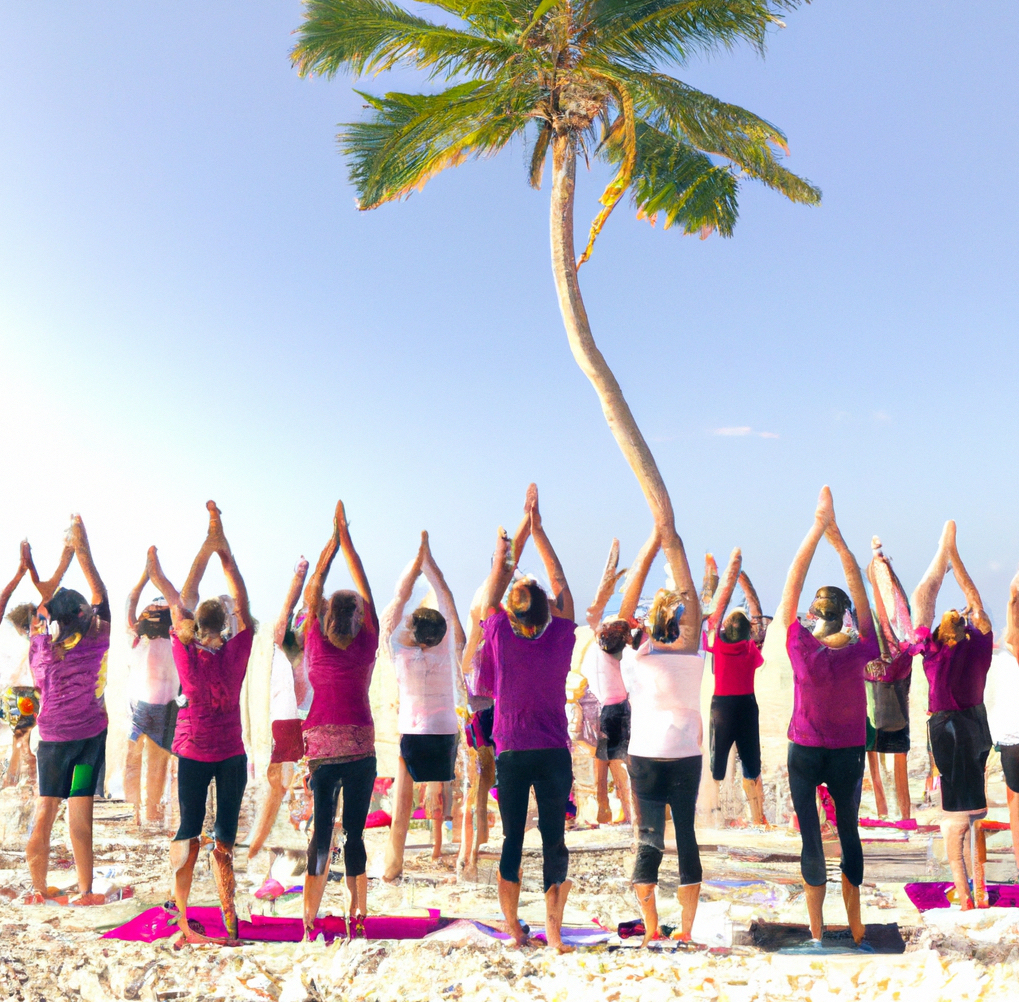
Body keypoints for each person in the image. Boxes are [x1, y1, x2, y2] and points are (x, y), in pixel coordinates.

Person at [773, 487, 892, 947]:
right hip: (846, 752)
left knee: (811, 838)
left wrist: (816, 529)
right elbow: (863, 604)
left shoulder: (801, 647)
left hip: (805, 749)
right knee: (848, 830)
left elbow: (791, 585)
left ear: (813, 617)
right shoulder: (861, 648)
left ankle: (818, 932)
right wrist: (841, 543)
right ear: (844, 617)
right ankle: (858, 927)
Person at [475, 484, 577, 953]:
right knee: (554, 841)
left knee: (513, 839)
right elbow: (563, 588)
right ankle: (553, 934)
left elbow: (494, 589)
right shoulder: (559, 637)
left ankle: (515, 929)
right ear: (545, 613)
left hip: (511, 750)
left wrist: (513, 542)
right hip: (552, 751)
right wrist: (541, 532)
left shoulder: (498, 630)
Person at [147, 502, 253, 945]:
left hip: (191, 751)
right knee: (223, 841)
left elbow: (180, 601)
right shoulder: (236, 652)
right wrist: (225, 555)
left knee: (187, 832)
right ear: (225, 625)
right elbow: (243, 605)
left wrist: (206, 547)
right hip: (229, 755)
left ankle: (185, 922)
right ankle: (230, 928)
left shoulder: (186, 654)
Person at [617, 521, 704, 946]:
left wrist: (651, 545)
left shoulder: (636, 659)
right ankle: (685, 930)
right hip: (685, 753)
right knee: (685, 835)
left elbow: (620, 617)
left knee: (649, 839)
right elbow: (696, 607)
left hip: (646, 755)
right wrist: (673, 544)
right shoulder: (692, 657)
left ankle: (652, 929)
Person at [300, 500, 378, 939]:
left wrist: (330, 544)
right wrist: (348, 541)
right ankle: (358, 914)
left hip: (323, 752)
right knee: (353, 834)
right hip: (361, 748)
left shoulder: (315, 638)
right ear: (360, 618)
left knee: (321, 834)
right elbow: (365, 588)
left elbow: (314, 592)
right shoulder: (367, 643)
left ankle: (309, 916)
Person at [25, 516, 111, 906]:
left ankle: (38, 888)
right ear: (83, 615)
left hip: (53, 741)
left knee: (46, 808)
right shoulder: (98, 639)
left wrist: (63, 555)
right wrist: (83, 548)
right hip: (89, 739)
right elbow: (101, 592)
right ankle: (86, 889)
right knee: (81, 811)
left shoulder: (41, 649)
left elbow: (43, 607)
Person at [909, 521, 993, 909]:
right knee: (976, 816)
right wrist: (954, 557)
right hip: (976, 723)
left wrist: (945, 553)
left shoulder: (932, 650)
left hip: (947, 726)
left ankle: (964, 895)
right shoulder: (980, 643)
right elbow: (975, 601)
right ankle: (979, 891)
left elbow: (921, 596)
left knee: (953, 823)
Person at [382, 532, 466, 880]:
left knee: (403, 805)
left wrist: (415, 563)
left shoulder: (400, 652)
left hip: (413, 732)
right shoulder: (452, 650)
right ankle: (464, 859)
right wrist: (430, 564)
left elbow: (398, 602)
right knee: (457, 797)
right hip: (446, 730)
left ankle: (393, 866)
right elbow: (446, 597)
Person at [247, 557, 311, 859]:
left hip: (303, 720)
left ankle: (290, 842)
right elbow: (287, 610)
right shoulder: (284, 643)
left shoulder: (311, 646)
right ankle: (258, 845)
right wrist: (299, 578)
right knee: (279, 788)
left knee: (300, 787)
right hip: (287, 721)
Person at [704, 547, 769, 827]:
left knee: (718, 760)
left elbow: (713, 618)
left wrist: (725, 579)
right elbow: (756, 618)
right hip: (746, 706)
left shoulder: (717, 645)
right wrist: (743, 579)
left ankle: (714, 815)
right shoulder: (750, 650)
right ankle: (757, 817)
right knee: (750, 760)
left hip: (722, 706)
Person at [581, 538, 632, 825]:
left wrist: (610, 566)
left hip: (609, 710)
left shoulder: (602, 646)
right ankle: (618, 806)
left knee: (605, 759)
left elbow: (594, 610)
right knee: (619, 759)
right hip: (626, 708)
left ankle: (604, 806)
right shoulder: (628, 650)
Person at [123, 565, 179, 826]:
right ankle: (144, 810)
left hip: (147, 706)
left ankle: (139, 811)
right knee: (152, 760)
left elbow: (130, 603)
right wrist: (148, 575)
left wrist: (145, 576)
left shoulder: (140, 638)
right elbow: (131, 604)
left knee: (139, 759)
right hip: (159, 706)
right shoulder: (174, 637)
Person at [865, 537, 915, 821]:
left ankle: (895, 811)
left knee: (884, 751)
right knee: (888, 752)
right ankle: (895, 811)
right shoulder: (891, 625)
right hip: (888, 695)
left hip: (884, 695)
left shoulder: (885, 622)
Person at [986, 561, 1019, 875]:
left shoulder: (1014, 644)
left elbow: (1013, 598)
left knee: (1015, 801)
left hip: (1012, 736)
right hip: (1012, 736)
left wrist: (1013, 593)